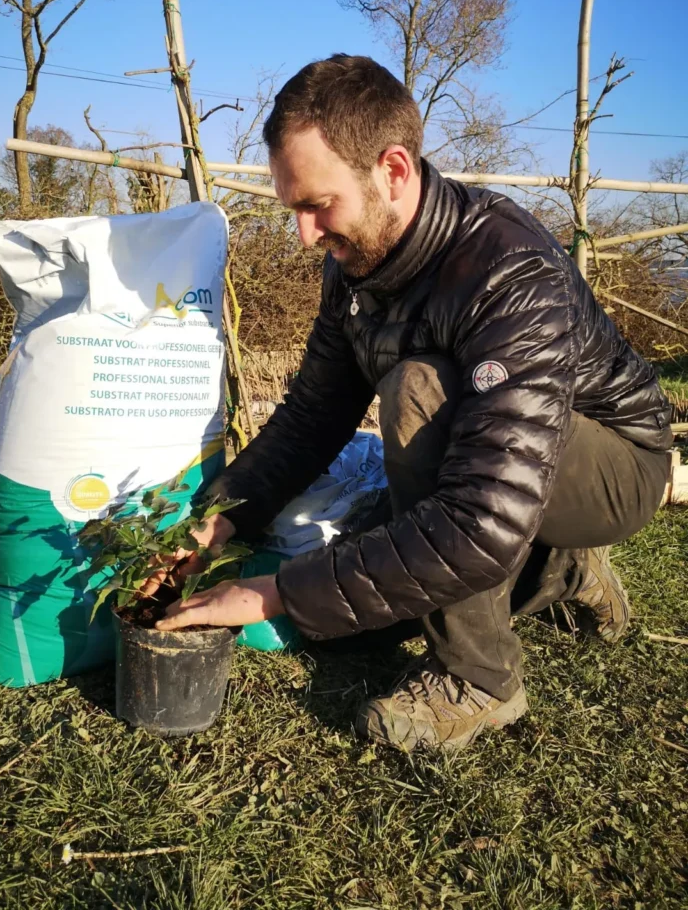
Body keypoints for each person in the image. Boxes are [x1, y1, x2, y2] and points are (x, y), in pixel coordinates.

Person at [145, 54, 672, 753]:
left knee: (418, 388)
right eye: (292, 209)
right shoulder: (355, 268)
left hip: (613, 465)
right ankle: (560, 568)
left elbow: (482, 521)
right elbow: (311, 417)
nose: (305, 236)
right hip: (501, 468)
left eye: (316, 205)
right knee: (343, 634)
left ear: (394, 170)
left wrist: (272, 592)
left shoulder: (509, 273)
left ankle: (482, 680)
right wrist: (218, 522)